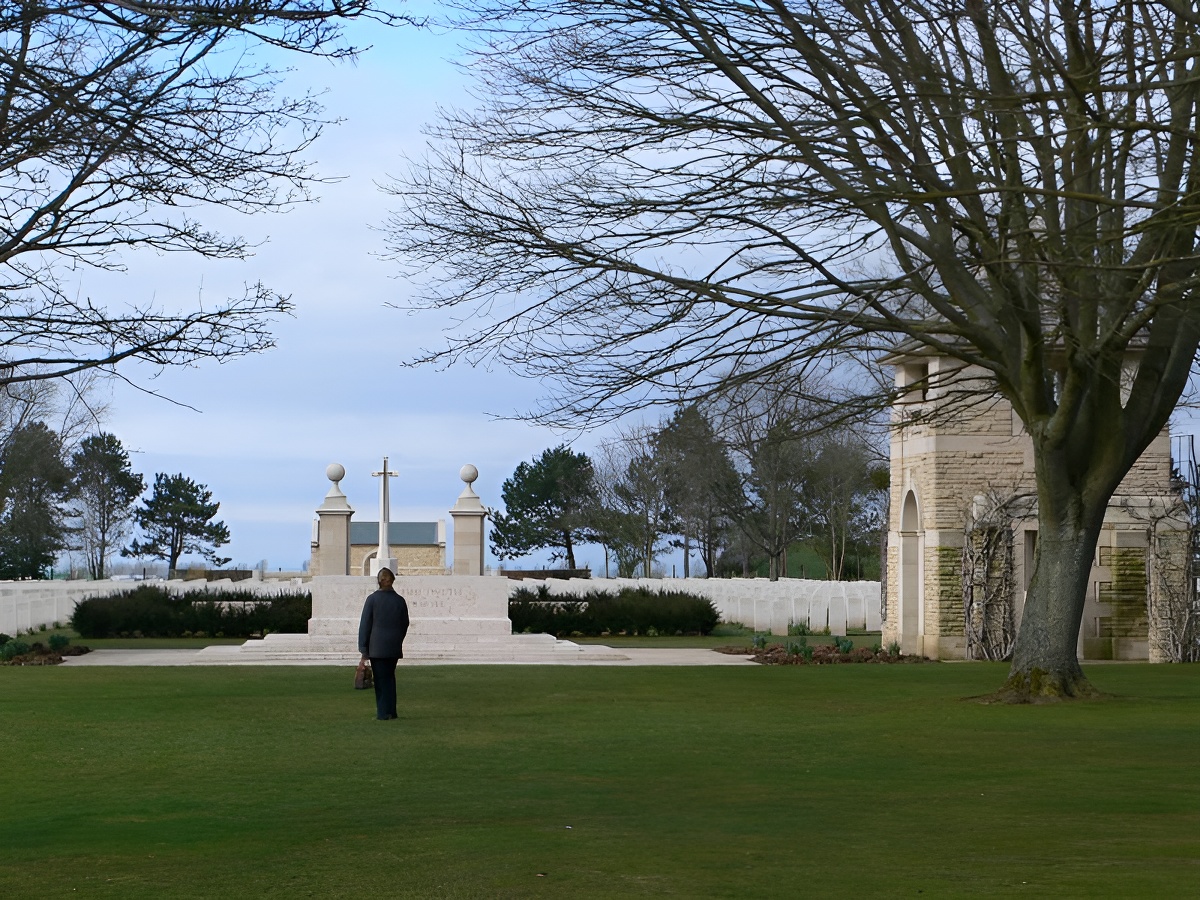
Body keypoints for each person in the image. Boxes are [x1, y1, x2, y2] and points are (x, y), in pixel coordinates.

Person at [358, 567, 410, 721]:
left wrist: (363, 649)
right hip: (393, 646)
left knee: (380, 680)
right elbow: (405, 623)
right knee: (389, 678)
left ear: (379, 581)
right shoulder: (399, 600)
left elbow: (365, 625)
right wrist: (398, 639)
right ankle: (391, 711)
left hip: (377, 647)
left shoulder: (372, 599)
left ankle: (383, 713)